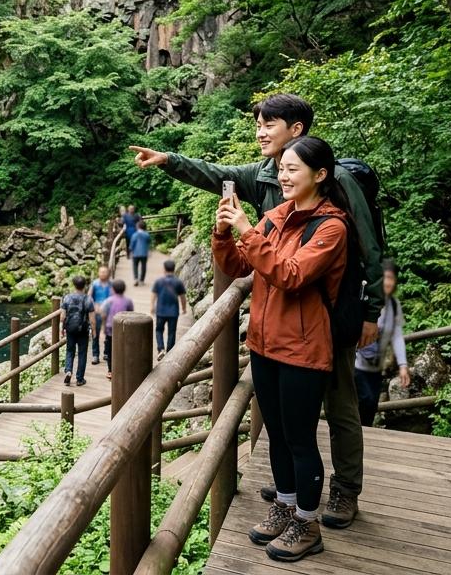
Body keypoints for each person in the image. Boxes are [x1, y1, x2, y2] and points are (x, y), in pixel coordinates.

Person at [130, 93, 381, 527]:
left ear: (296, 130)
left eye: (269, 125)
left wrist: (371, 311)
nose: (261, 133)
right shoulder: (270, 179)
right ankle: (296, 491)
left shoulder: (335, 186)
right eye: (258, 125)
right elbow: (216, 175)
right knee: (288, 425)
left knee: (339, 404)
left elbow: (370, 249)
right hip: (278, 324)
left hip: (329, 309)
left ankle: (343, 490)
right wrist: (168, 160)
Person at [212, 135, 351, 562]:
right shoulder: (276, 216)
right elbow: (238, 265)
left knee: (299, 438)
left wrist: (246, 229)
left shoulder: (332, 228)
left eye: (293, 169)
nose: (284, 176)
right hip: (265, 343)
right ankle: (286, 506)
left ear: (320, 175)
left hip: (304, 350)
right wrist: (222, 232)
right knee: (276, 433)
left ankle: (307, 524)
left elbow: (290, 274)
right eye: (282, 169)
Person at [355, 260, 410, 426]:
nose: (388, 282)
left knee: (371, 405)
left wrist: (403, 365)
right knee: (364, 400)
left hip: (376, 367)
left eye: (391, 278)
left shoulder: (394, 304)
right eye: (385, 277)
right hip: (356, 363)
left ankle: (364, 439)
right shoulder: (365, 300)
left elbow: (397, 336)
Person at [60, 275, 96, 387]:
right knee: (82, 354)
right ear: (84, 285)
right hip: (83, 330)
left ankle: (68, 371)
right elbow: (92, 319)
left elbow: (62, 316)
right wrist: (94, 332)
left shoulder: (67, 298)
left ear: (74, 285)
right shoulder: (88, 299)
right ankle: (80, 379)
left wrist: (61, 329)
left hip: (70, 329)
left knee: (70, 351)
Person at [150, 259, 188, 359]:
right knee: (172, 332)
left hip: (161, 311)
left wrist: (152, 307)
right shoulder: (178, 282)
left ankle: (160, 349)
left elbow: (154, 294)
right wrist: (184, 308)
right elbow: (182, 297)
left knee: (159, 330)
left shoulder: (159, 281)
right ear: (174, 269)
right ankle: (170, 352)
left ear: (164, 269)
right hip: (173, 312)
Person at [99, 279, 135, 379]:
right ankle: (122, 368)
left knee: (110, 350)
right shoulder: (128, 301)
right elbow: (131, 313)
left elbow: (103, 313)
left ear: (113, 289)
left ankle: (110, 370)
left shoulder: (109, 301)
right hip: (123, 329)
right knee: (123, 348)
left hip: (110, 329)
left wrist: (103, 327)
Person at [90, 266, 114, 365]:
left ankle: (106, 352)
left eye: (105, 272)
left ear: (108, 273)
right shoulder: (95, 284)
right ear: (98, 273)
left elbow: (114, 297)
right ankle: (95, 355)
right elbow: (89, 297)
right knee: (95, 333)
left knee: (108, 333)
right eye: (101, 272)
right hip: (97, 311)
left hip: (108, 312)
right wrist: (93, 306)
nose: (103, 274)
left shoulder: (111, 284)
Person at [129, 221, 152, 285]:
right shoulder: (147, 234)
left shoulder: (134, 235)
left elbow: (132, 244)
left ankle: (136, 279)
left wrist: (131, 251)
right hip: (144, 253)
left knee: (135, 266)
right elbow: (149, 242)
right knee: (143, 266)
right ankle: (142, 280)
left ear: (138, 227)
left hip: (135, 253)